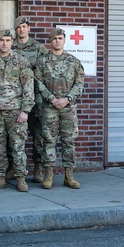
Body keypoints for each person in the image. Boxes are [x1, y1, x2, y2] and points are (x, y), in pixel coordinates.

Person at [0, 28, 34, 192]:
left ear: (12, 42)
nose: (5, 43)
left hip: (15, 111)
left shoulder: (21, 61)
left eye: (8, 40)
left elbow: (28, 87)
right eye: (2, 40)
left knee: (18, 146)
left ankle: (21, 178)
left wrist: (25, 110)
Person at [36, 27, 84, 190]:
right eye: (54, 38)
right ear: (50, 41)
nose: (57, 40)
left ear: (64, 40)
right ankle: (48, 175)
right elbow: (38, 83)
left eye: (60, 38)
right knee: (49, 141)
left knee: (68, 141)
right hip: (49, 107)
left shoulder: (74, 61)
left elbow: (79, 83)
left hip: (68, 108)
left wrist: (67, 99)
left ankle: (69, 176)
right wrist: (52, 99)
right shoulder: (42, 61)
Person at [13, 16, 48, 182]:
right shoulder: (9, 46)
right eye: (19, 27)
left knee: (38, 134)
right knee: (14, 135)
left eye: (25, 26)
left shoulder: (39, 48)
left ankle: (38, 168)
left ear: (29, 28)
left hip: (36, 99)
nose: (22, 29)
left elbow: (46, 71)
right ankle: (15, 168)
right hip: (14, 99)